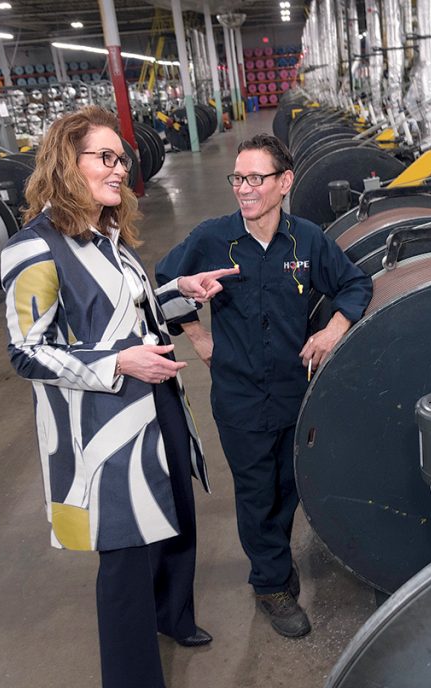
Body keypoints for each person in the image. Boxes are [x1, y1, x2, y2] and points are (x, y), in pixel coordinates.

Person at [1, 106, 238, 688]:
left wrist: (177, 294)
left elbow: (131, 316)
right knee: (126, 554)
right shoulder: (34, 250)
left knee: (179, 512)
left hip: (155, 399)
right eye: (104, 157)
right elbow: (28, 353)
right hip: (101, 425)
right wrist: (119, 364)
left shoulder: (108, 235)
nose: (118, 168)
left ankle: (173, 616)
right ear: (65, 163)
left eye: (120, 158)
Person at [155, 134, 372, 638]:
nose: (245, 189)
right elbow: (163, 285)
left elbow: (354, 283)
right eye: (238, 178)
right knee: (255, 491)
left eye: (256, 178)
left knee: (289, 483)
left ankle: (272, 556)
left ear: (284, 183)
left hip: (296, 390)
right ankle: (271, 583)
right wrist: (197, 335)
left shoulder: (307, 241)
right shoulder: (213, 239)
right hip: (239, 394)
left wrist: (332, 329)